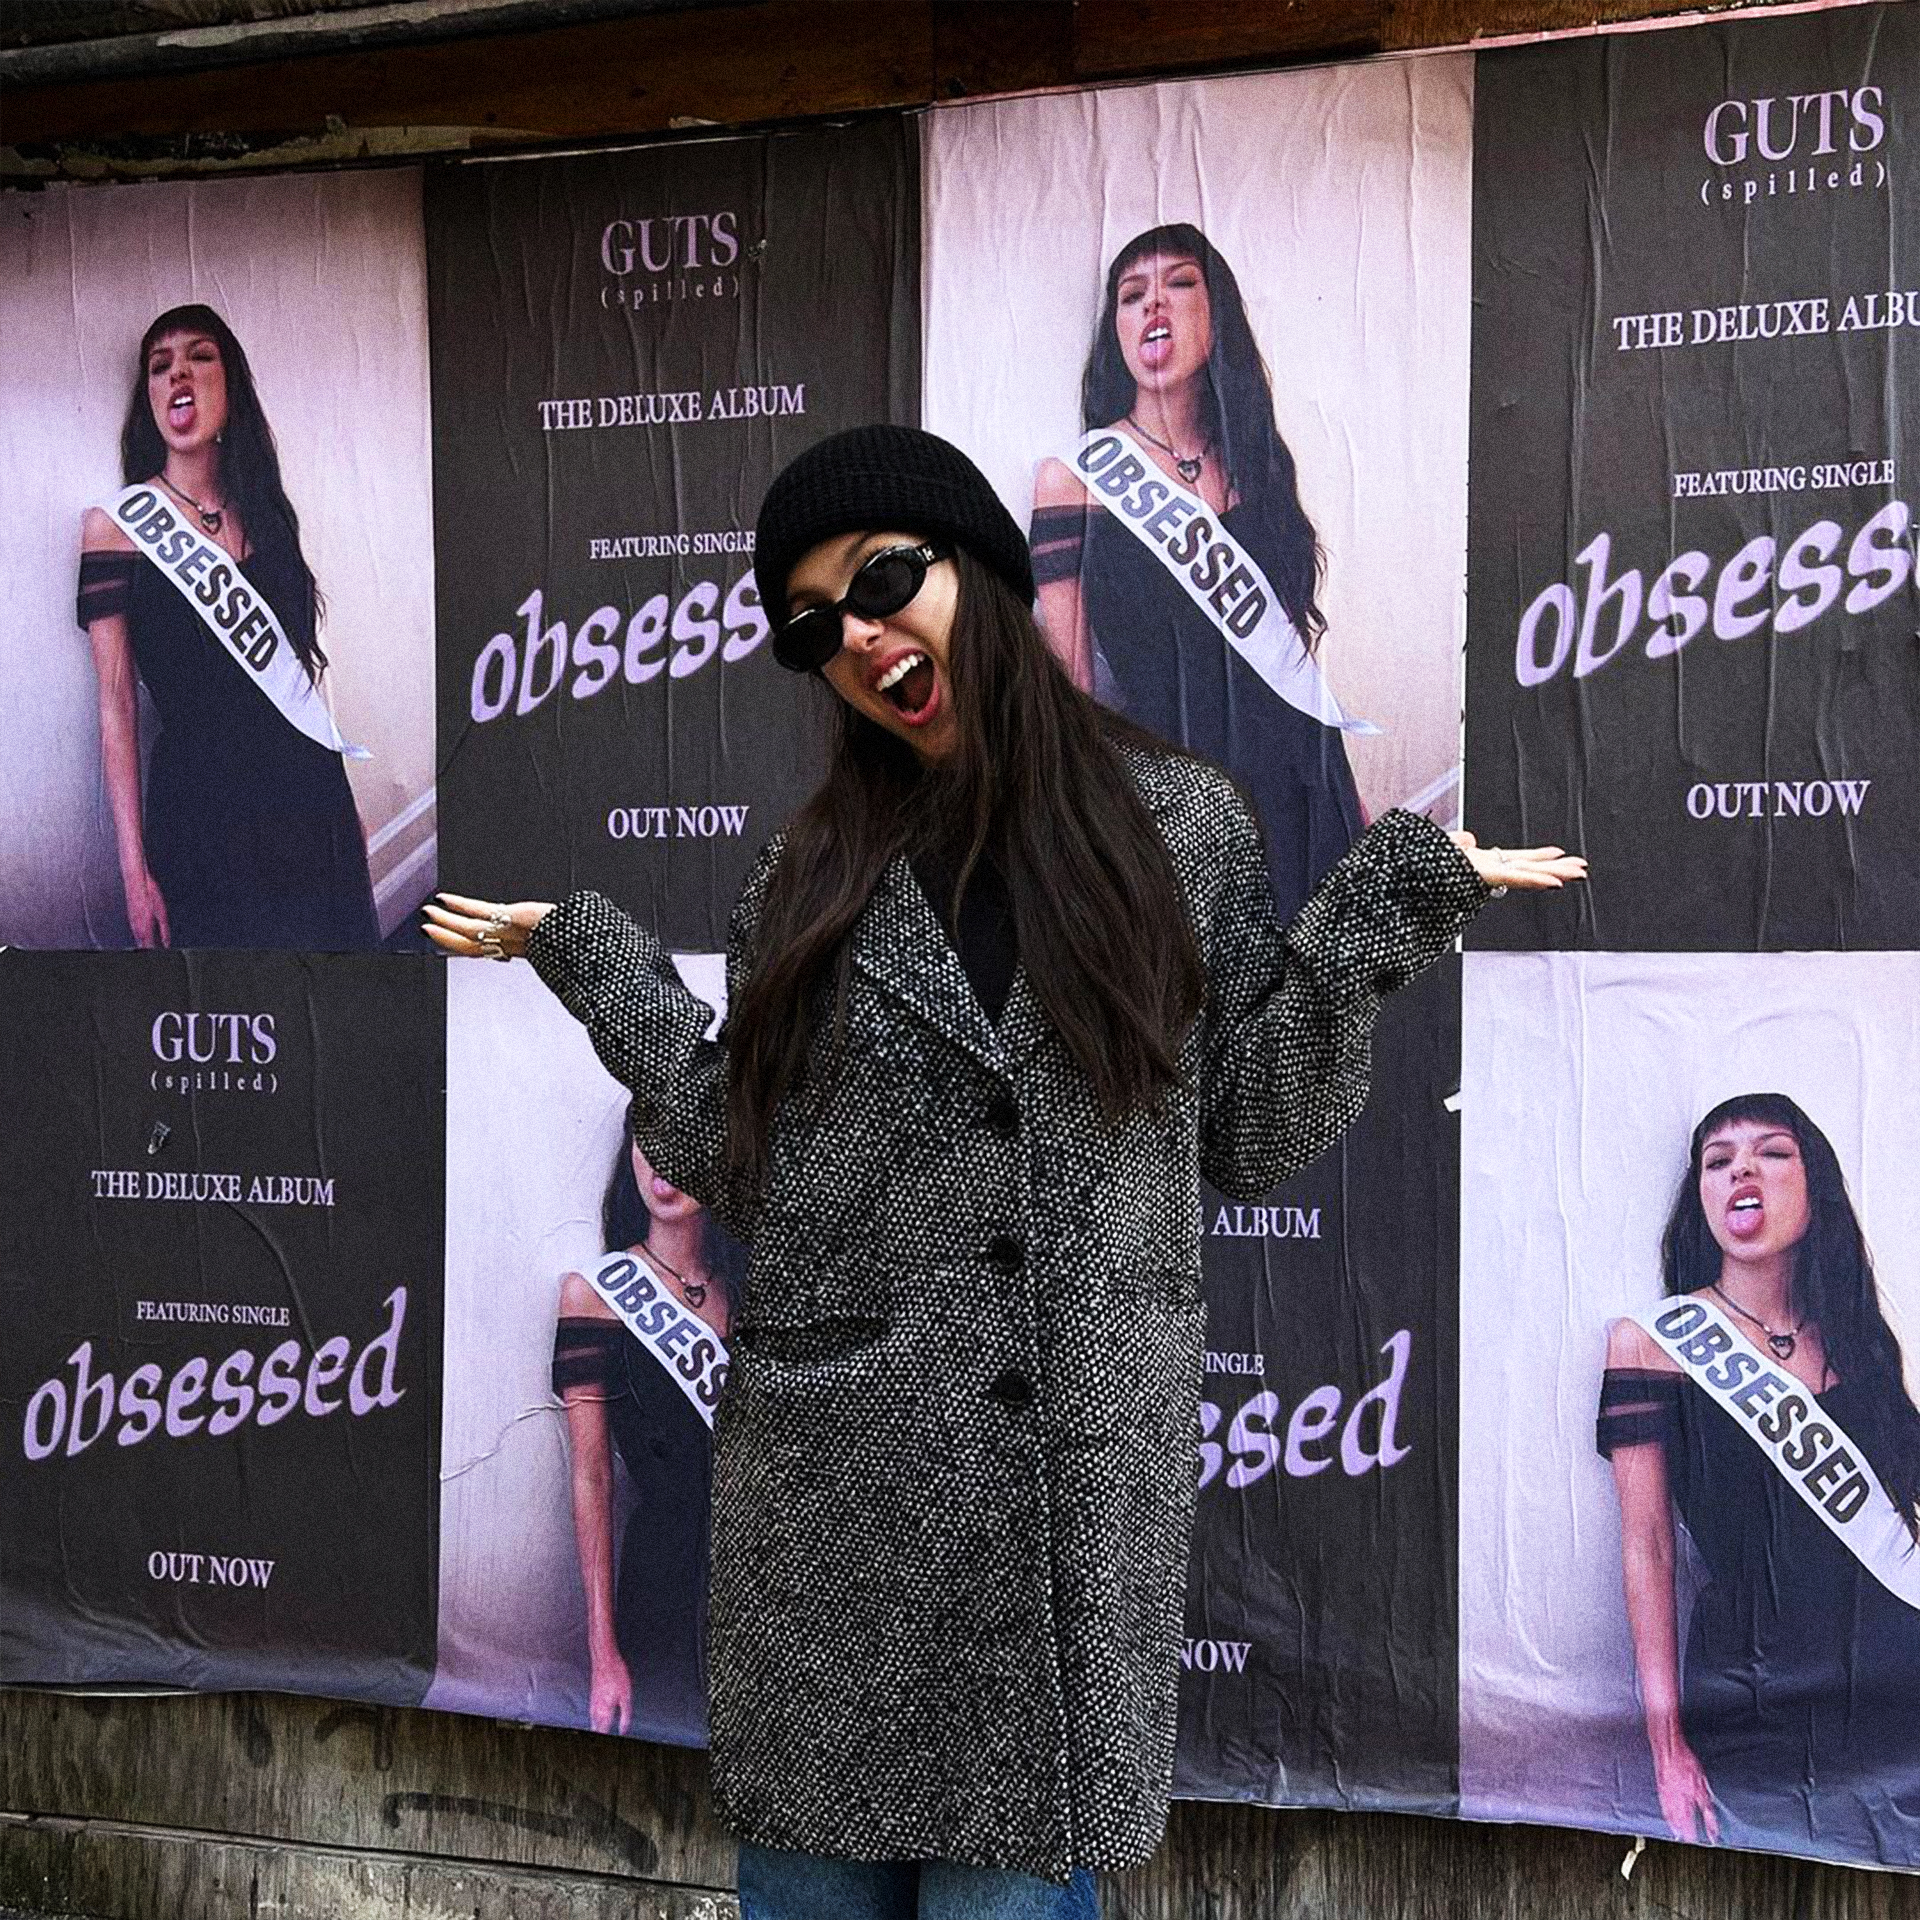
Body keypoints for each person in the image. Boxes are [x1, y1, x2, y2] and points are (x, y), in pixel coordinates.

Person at [426, 425, 1583, 1918]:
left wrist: (1381, 918)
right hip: (832, 1534)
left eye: (881, 581)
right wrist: (598, 967)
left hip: (1055, 1538)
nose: (859, 636)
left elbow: (1251, 1126)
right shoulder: (806, 874)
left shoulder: (1176, 828)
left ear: (975, 565)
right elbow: (741, 1162)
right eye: (814, 626)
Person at [1599, 1094, 1920, 1859]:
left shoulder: (1857, 1338)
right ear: (1702, 1197)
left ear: (1816, 1187)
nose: (1742, 1169)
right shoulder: (1652, 1343)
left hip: (1898, 1690)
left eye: (1772, 1151)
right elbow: (1648, 1548)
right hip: (1751, 1700)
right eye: (1718, 1162)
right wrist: (1666, 1745)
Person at [1031, 223, 1362, 915]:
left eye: (1180, 284)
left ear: (1219, 317)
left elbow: (1289, 651)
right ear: (1116, 331)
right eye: (1131, 295)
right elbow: (1071, 686)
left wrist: (1348, 801)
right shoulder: (1076, 479)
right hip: (1178, 804)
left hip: (1300, 784)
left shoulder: (1255, 463)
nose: (1154, 304)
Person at [76, 303, 377, 951]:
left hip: (308, 800)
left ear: (230, 383)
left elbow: (298, 673)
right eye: (160, 366)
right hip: (203, 816)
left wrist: (346, 806)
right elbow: (116, 705)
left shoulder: (265, 512)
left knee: (331, 992)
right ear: (149, 398)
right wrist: (134, 872)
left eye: (199, 356)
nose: (177, 374)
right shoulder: (116, 530)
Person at [554, 1130, 738, 1744]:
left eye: (687, 1140)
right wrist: (602, 1651)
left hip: (759, 1576)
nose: (663, 1163)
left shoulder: (751, 1291)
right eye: (650, 1139)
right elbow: (591, 1477)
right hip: (661, 1583)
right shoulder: (595, 1296)